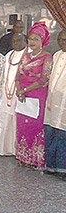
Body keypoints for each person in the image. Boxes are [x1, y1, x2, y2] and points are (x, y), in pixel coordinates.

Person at [15, 21, 52, 169]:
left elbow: (44, 79)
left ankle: (34, 159)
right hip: (22, 95)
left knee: (34, 126)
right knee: (22, 125)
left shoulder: (47, 57)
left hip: (37, 95)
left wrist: (25, 90)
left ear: (43, 41)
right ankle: (22, 156)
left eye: (36, 39)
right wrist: (19, 90)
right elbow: (18, 75)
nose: (32, 42)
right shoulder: (25, 55)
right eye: (31, 39)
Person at [0, 33, 27, 156]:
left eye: (18, 40)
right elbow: (3, 77)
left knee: (17, 122)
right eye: (14, 41)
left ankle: (17, 151)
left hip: (21, 94)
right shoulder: (8, 55)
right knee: (4, 121)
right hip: (6, 93)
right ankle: (4, 149)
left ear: (25, 41)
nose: (15, 43)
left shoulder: (28, 55)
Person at [44, 30, 66, 180]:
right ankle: (51, 167)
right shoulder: (56, 55)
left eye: (65, 39)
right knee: (51, 133)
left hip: (64, 105)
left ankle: (63, 169)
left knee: (63, 137)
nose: (62, 42)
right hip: (52, 103)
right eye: (60, 39)